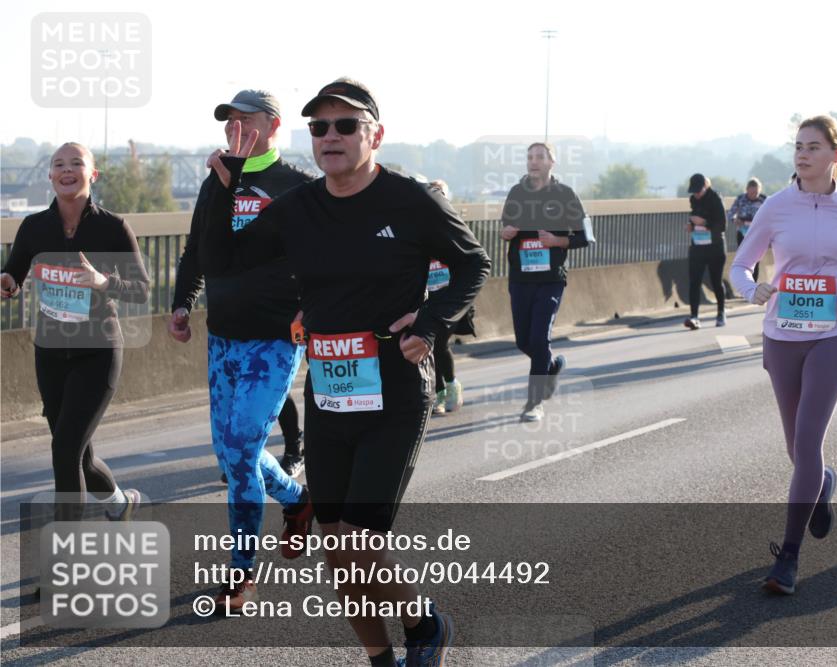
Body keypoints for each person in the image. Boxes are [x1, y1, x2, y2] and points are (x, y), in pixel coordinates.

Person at [201, 77, 490, 667]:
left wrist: (429, 322)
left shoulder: (410, 201)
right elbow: (223, 259)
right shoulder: (298, 209)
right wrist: (222, 185)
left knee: (360, 543)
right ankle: (382, 656)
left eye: (345, 125)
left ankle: (426, 623)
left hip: (394, 390)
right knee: (338, 553)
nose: (330, 136)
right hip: (329, 393)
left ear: (375, 135)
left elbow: (473, 264)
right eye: (319, 127)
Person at [168, 90, 315, 614]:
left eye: (245, 120)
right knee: (232, 456)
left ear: (272, 127)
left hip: (274, 340)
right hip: (224, 336)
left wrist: (311, 309)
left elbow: (315, 257)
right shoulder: (215, 181)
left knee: (239, 447)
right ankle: (298, 500)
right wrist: (182, 303)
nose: (235, 128)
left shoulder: (295, 185)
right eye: (229, 120)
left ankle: (241, 574)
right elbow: (198, 249)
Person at [729, 115, 837, 595]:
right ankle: (824, 482)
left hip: (835, 331)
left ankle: (788, 558)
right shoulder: (775, 207)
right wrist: (751, 290)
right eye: (797, 146)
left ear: (836, 156)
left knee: (810, 438)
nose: (802, 154)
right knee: (797, 448)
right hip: (782, 332)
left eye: (813, 147)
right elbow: (740, 263)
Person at [1, 142, 149, 523]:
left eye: (76, 163)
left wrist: (102, 281)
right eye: (58, 164)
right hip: (50, 354)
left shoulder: (112, 227)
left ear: (92, 174)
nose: (67, 170)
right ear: (50, 176)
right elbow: (13, 273)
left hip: (97, 352)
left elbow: (141, 289)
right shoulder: (35, 227)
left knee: (65, 451)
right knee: (78, 454)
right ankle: (119, 504)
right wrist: (8, 282)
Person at [500, 142, 593, 422]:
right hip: (520, 278)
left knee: (540, 338)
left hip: (550, 279)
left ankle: (534, 403)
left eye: (540, 157)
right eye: (530, 157)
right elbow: (504, 226)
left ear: (552, 162)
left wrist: (557, 241)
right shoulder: (517, 192)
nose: (533, 161)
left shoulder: (565, 194)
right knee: (523, 341)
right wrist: (506, 232)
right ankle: (552, 365)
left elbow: (584, 237)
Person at [426, 179, 473, 416]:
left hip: (451, 298)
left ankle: (449, 388)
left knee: (438, 343)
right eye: (432, 194)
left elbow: (473, 264)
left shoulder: (456, 227)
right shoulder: (417, 226)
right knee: (431, 345)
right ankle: (440, 392)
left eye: (441, 194)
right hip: (428, 297)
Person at [684, 173, 727, 329]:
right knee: (694, 281)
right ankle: (694, 316)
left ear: (705, 187)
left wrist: (705, 223)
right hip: (697, 246)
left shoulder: (716, 199)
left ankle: (721, 312)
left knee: (716, 281)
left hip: (715, 247)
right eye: (694, 191)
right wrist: (691, 226)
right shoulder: (693, 200)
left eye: (698, 191)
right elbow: (693, 218)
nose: (696, 194)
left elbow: (722, 226)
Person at [729, 177, 767, 282]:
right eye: (751, 193)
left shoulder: (764, 200)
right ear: (747, 190)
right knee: (743, 259)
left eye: (756, 193)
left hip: (757, 234)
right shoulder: (741, 199)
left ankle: (753, 284)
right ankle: (745, 283)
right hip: (742, 232)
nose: (753, 195)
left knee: (755, 260)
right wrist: (735, 220)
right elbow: (730, 214)